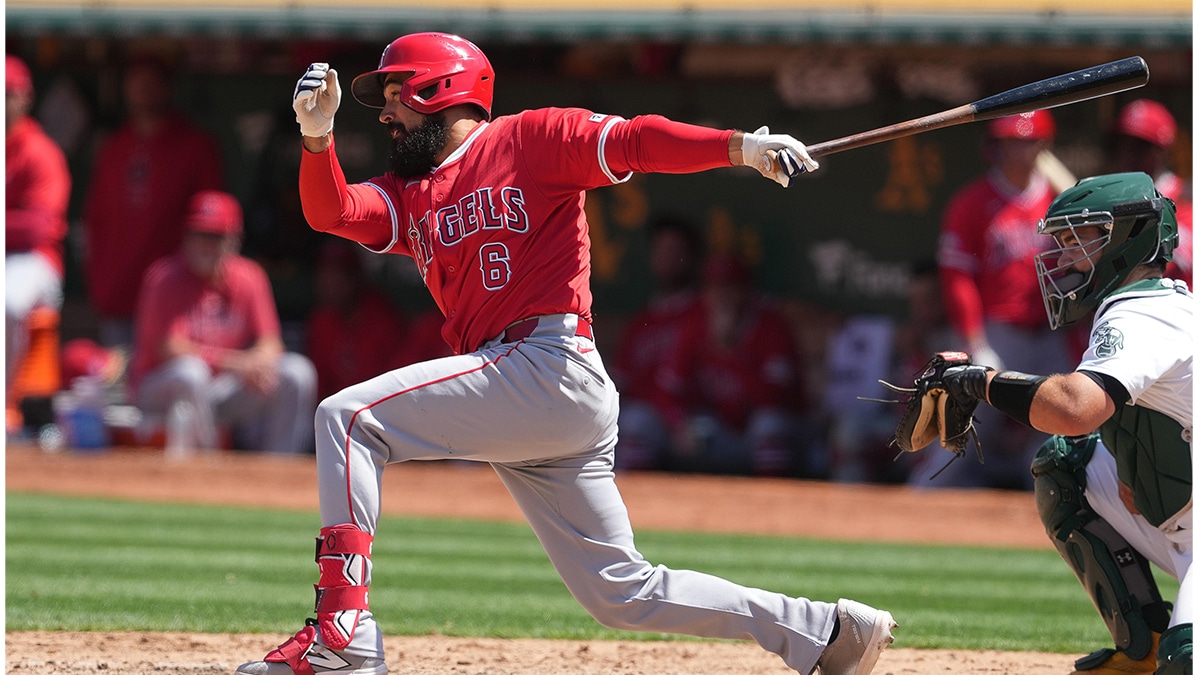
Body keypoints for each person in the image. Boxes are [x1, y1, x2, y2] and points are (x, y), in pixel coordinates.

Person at [235, 32, 896, 675]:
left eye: (397, 94)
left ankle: (342, 633)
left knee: (348, 418)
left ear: (441, 89)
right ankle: (825, 631)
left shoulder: (530, 138)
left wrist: (739, 147)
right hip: (526, 391)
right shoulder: (412, 192)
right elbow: (335, 212)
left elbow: (636, 139)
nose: (385, 113)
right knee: (621, 592)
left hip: (547, 364)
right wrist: (317, 140)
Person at [930, 172, 1191, 675]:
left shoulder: (1146, 312)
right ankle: (1145, 645)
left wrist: (979, 382)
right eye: (1064, 241)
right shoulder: (1143, 305)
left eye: (1079, 240)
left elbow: (1074, 409)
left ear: (1127, 236)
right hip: (1183, 525)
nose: (1066, 257)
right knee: (1068, 466)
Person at [912, 109, 1071, 489]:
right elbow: (956, 278)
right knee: (961, 429)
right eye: (1008, 143)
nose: (1015, 152)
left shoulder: (1060, 200)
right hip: (1000, 335)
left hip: (1053, 334)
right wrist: (975, 341)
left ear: (1042, 147)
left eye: (1024, 142)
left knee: (1064, 432)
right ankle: (919, 498)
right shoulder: (972, 202)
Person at [129, 190, 317, 455]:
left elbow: (271, 342)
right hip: (160, 388)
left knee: (297, 372)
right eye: (198, 234)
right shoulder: (163, 279)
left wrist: (258, 363)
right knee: (190, 372)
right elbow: (169, 349)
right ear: (186, 236)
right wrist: (239, 363)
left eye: (215, 236)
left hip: (222, 389)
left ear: (234, 240)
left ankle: (277, 470)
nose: (205, 244)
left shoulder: (249, 276)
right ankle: (205, 469)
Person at [82, 56, 224, 348]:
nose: (143, 90)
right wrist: (99, 280)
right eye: (136, 82)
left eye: (151, 83)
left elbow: (214, 222)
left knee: (180, 380)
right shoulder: (114, 147)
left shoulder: (194, 146)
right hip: (117, 290)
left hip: (176, 293)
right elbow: (95, 218)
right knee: (120, 385)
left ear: (167, 88)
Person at [656, 253, 812, 477]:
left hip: (784, 434)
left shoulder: (772, 327)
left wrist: (729, 352)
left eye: (730, 288)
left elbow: (772, 399)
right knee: (697, 430)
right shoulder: (696, 326)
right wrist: (680, 424)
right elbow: (668, 393)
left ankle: (774, 502)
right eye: (714, 288)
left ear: (746, 291)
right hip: (724, 431)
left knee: (767, 427)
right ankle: (707, 507)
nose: (721, 297)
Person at [5, 54, 72, 428]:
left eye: (5, 94)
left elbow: (36, 229)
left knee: (9, 303)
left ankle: (5, 403)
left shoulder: (39, 152)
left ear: (23, 98)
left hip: (34, 260)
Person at [610, 214, 705, 471]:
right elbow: (621, 382)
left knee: (637, 423)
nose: (666, 258)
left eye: (674, 250)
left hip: (690, 417)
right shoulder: (642, 321)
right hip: (647, 417)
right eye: (661, 250)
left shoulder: (703, 314)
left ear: (691, 256)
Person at [306, 239, 410, 400]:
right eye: (325, 275)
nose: (330, 283)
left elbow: (396, 383)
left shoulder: (383, 319)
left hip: (377, 407)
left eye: (339, 275)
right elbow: (319, 384)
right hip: (337, 408)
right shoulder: (321, 320)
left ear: (356, 277)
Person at [1108, 98, 1191, 289]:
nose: (1128, 153)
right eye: (1123, 143)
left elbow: (1181, 258)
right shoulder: (1110, 197)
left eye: (1140, 146)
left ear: (1163, 151)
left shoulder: (1186, 196)